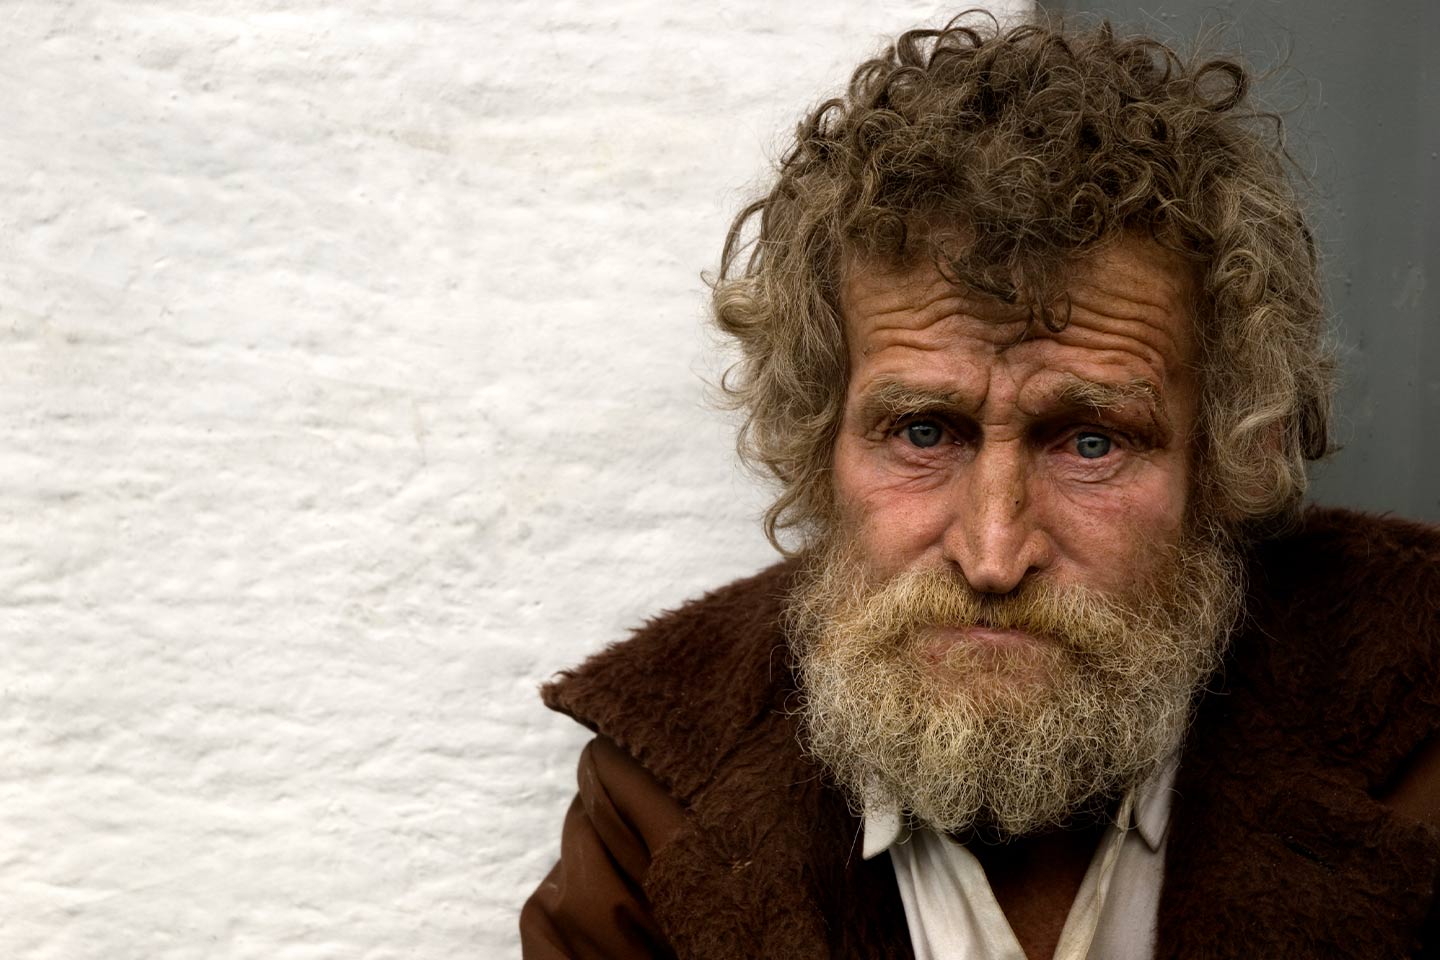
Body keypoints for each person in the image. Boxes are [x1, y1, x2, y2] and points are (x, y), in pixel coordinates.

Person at [519, 13, 1440, 959]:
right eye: (924, 431)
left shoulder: (1417, 748)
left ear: (1220, 464)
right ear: (819, 445)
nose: (993, 553)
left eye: (1091, 441)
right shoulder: (662, 801)